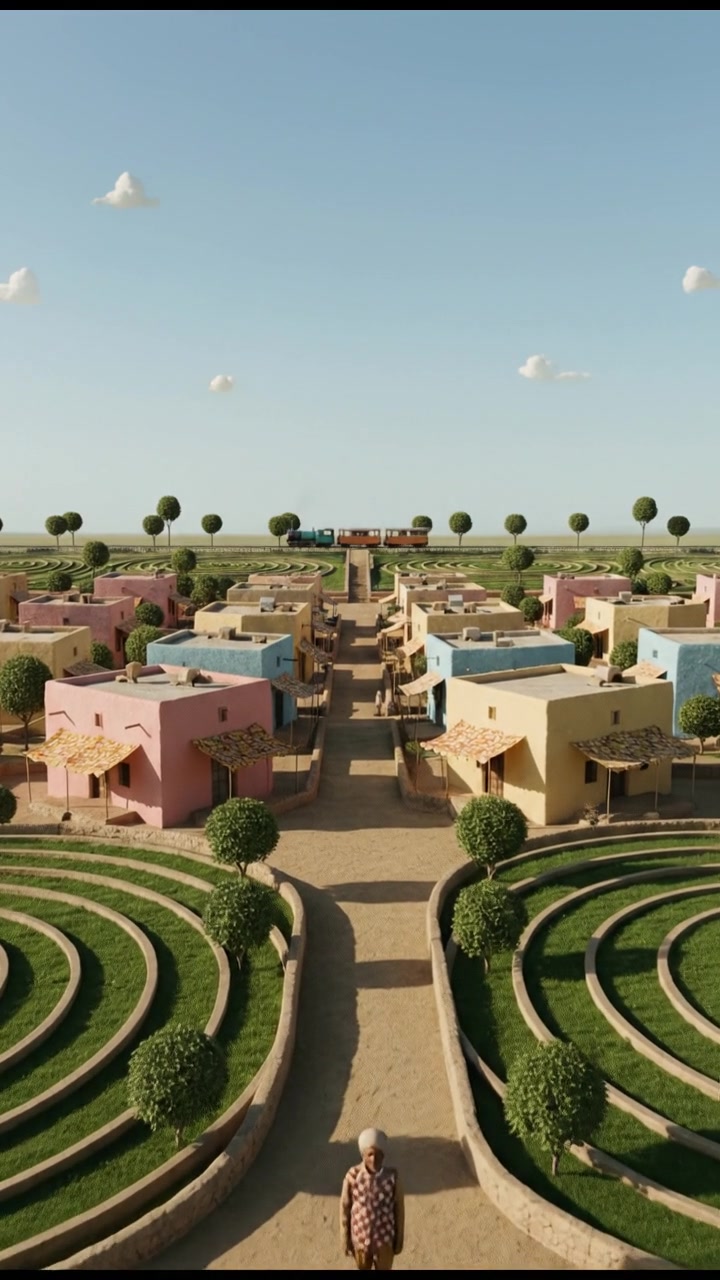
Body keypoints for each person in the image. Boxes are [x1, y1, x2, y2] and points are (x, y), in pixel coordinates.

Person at [340, 1128, 404, 1271]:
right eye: (370, 1154)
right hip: (360, 1238)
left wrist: (399, 1239)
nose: (374, 1159)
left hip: (384, 1239)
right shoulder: (353, 1175)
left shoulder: (392, 1177)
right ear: (363, 1155)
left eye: (378, 1155)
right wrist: (345, 1238)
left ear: (384, 1156)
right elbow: (345, 1207)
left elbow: (399, 1208)